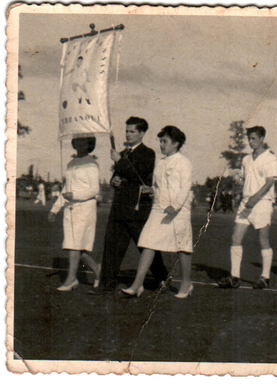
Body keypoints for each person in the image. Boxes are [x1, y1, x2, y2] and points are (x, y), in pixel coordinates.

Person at [90, 117, 168, 294]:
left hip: (137, 210)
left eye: (132, 131)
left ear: (142, 133)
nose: (128, 134)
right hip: (119, 208)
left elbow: (138, 174)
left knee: (146, 247)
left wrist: (119, 161)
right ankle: (106, 286)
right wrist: (114, 180)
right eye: (127, 131)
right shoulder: (124, 153)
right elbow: (119, 176)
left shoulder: (148, 153)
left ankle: (162, 278)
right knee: (111, 249)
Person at [123, 126, 194, 298]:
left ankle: (186, 283)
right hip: (158, 209)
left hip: (178, 211)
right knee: (148, 242)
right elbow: (159, 186)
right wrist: (152, 190)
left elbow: (185, 188)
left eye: (165, 141)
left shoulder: (184, 162)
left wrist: (175, 206)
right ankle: (137, 284)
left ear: (176, 143)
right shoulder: (160, 162)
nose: (161, 145)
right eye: (160, 141)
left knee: (182, 247)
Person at [218, 126, 277, 289]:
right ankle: (235, 276)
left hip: (262, 202)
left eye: (254, 138)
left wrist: (255, 198)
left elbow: (270, 182)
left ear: (261, 139)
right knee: (236, 238)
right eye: (249, 139)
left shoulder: (270, 158)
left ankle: (265, 277)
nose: (251, 142)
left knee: (263, 239)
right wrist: (238, 176)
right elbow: (245, 178)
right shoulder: (246, 159)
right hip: (246, 202)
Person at [49, 137, 101, 291]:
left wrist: (76, 195)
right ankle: (98, 270)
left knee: (74, 245)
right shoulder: (71, 164)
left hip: (85, 208)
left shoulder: (92, 164)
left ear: (90, 144)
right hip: (70, 209)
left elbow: (94, 190)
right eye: (77, 141)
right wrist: (55, 208)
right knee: (75, 246)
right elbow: (66, 190)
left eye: (84, 141)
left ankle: (71, 279)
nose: (80, 144)